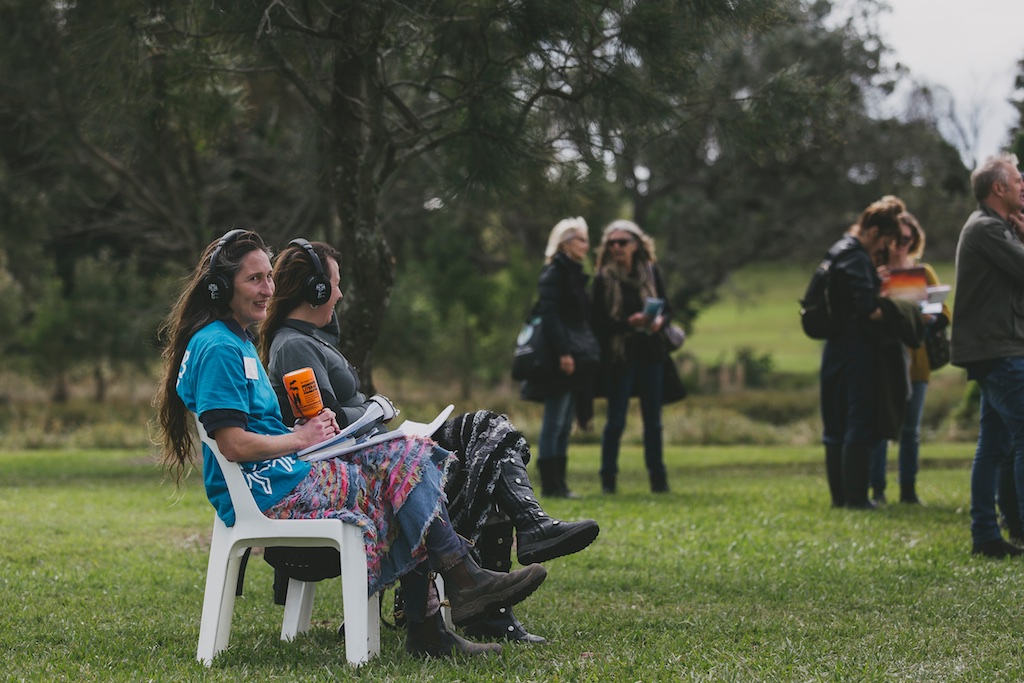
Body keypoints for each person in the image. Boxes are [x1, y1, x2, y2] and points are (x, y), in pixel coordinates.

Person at [154, 229, 548, 658]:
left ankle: (448, 601)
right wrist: (300, 438)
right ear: (219, 287)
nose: (268, 289)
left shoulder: (235, 340)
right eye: (254, 279)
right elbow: (231, 444)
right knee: (407, 467)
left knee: (405, 468)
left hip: (288, 477)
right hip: (271, 492)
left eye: (269, 277)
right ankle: (450, 598)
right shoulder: (218, 348)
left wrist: (311, 434)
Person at [259, 238, 600, 643]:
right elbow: (325, 428)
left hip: (379, 457)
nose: (340, 293)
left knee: (488, 431)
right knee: (484, 457)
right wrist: (374, 410)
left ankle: (526, 534)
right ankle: (492, 586)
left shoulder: (310, 339)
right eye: (333, 284)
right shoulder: (294, 344)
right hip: (362, 470)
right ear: (314, 290)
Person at [950, 153, 1024, 558]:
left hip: (997, 348)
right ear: (998, 188)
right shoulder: (986, 230)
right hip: (1001, 350)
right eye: (1017, 179)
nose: (1022, 185)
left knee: (994, 445)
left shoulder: (997, 228)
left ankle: (986, 536)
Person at [818, 197, 906, 510]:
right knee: (857, 421)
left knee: (836, 424)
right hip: (856, 350)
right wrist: (899, 306)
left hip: (836, 348)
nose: (881, 247)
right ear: (871, 231)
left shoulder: (837, 251)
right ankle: (855, 498)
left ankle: (841, 497)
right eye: (882, 239)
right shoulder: (854, 257)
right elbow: (868, 309)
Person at [591, 219, 686, 494]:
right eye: (612, 243)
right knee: (616, 419)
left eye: (622, 242)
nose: (616, 247)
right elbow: (597, 324)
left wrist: (658, 322)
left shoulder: (651, 272)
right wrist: (627, 324)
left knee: (653, 421)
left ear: (636, 245)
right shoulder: (603, 279)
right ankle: (608, 479)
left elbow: (667, 309)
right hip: (620, 357)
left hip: (651, 353)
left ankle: (658, 479)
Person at [868, 212, 950, 505]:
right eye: (895, 239)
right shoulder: (877, 273)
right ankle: (877, 488)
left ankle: (908, 490)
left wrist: (929, 314)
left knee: (910, 430)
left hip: (918, 358)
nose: (900, 245)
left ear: (914, 240)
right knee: (881, 425)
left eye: (906, 239)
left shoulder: (923, 273)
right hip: (887, 357)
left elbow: (944, 314)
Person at [520, 217, 600, 498]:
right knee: (554, 422)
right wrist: (565, 353)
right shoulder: (554, 273)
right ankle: (551, 485)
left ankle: (560, 483)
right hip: (557, 360)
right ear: (565, 243)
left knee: (565, 423)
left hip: (573, 357)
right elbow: (551, 317)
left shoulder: (573, 274)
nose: (586, 246)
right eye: (581, 240)